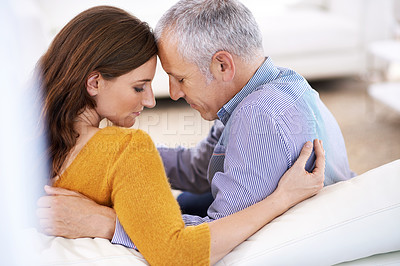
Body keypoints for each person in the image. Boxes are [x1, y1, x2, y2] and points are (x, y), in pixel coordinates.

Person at [39, 0, 353, 249]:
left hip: (276, 244)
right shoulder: (269, 88)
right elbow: (198, 168)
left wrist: (107, 222)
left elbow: (212, 237)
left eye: (180, 79)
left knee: (178, 207)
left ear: (222, 65)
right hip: (225, 199)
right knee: (184, 199)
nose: (172, 94)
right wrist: (112, 157)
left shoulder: (261, 118)